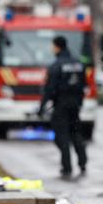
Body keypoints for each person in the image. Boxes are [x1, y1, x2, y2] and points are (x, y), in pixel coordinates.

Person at [38, 36, 87, 178]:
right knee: (76, 133)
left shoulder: (56, 66)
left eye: (53, 46)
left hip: (61, 105)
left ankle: (67, 167)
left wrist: (42, 107)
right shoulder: (79, 64)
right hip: (75, 105)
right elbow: (83, 85)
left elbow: (49, 89)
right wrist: (79, 102)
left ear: (57, 47)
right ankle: (82, 162)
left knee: (61, 136)